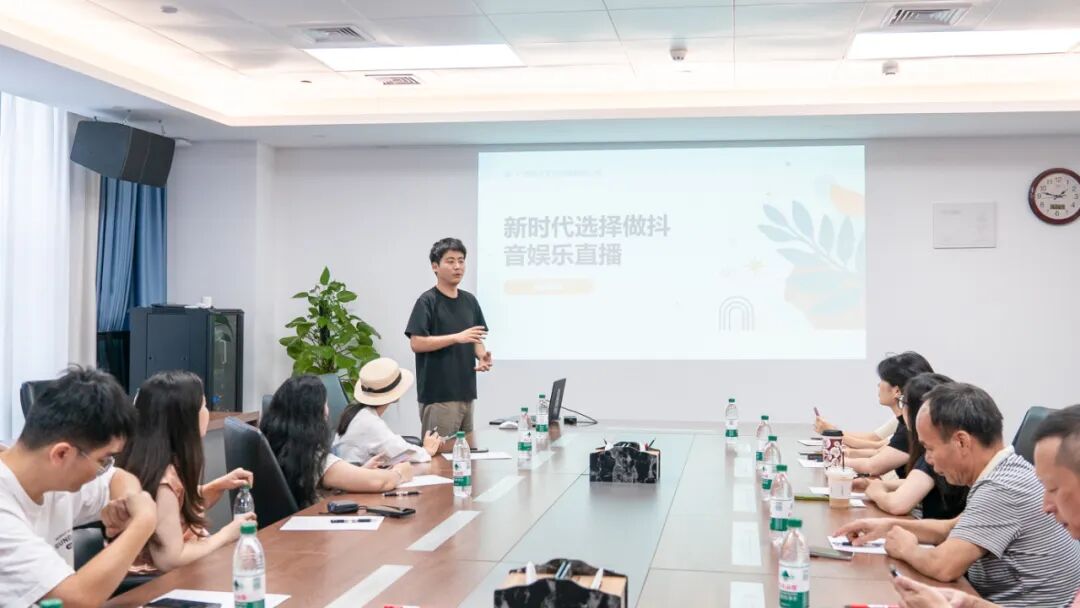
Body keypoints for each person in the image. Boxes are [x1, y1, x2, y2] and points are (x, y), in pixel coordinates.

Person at [836, 383, 1080, 607]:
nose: (927, 459)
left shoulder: (1003, 485)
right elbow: (952, 528)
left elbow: (944, 566)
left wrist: (907, 549)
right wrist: (886, 526)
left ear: (961, 442)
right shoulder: (1005, 471)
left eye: (929, 448)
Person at [0, 367, 158, 607]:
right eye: (103, 460)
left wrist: (126, 502)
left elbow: (119, 478)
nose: (103, 469)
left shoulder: (52, 476)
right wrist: (143, 522)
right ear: (62, 454)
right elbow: (74, 599)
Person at [116, 371, 256, 574]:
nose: (207, 412)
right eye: (203, 406)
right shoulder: (163, 481)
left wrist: (215, 487)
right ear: (185, 418)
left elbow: (174, 513)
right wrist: (227, 533)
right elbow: (171, 559)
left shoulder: (154, 463)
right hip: (161, 583)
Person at [261, 375, 414, 508]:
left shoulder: (273, 447)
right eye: (325, 405)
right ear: (314, 415)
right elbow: (380, 482)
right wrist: (399, 473)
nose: (327, 411)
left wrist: (361, 471)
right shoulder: (313, 458)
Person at [406, 237, 491, 453]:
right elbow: (416, 342)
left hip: (466, 392)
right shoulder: (427, 301)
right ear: (435, 266)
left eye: (461, 261)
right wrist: (455, 337)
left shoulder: (470, 301)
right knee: (439, 459)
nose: (457, 266)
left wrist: (482, 355)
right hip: (439, 395)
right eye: (450, 261)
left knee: (467, 456)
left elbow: (475, 337)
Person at [861, 373, 969, 520]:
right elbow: (919, 482)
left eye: (903, 402)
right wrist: (882, 485)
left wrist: (875, 490)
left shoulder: (936, 452)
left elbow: (897, 504)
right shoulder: (942, 446)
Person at [827, 351, 934, 459]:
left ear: (897, 391)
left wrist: (831, 433)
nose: (879, 384)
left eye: (883, 380)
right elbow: (879, 447)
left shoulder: (910, 425)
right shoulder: (905, 420)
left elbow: (874, 453)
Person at [333, 358, 441, 464]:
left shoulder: (356, 412)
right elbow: (400, 452)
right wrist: (426, 450)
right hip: (358, 474)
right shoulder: (370, 423)